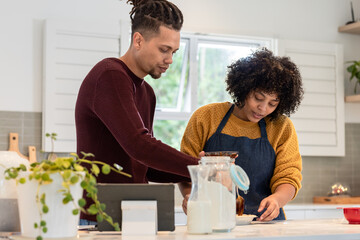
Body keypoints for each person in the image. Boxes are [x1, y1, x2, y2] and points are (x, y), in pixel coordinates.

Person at [75, 0, 198, 224]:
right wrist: (201, 167)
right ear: (138, 40)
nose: (170, 60)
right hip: (100, 219)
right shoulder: (110, 75)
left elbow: (146, 166)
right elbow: (139, 145)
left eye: (174, 52)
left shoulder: (147, 92)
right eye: (164, 50)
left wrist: (203, 173)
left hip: (135, 216)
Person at [180, 48, 303, 221]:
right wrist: (190, 197)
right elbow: (184, 168)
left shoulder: (281, 127)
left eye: (272, 103)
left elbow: (288, 175)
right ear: (244, 88)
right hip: (213, 221)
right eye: (258, 98)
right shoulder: (206, 117)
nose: (263, 108)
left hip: (266, 223)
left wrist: (277, 199)